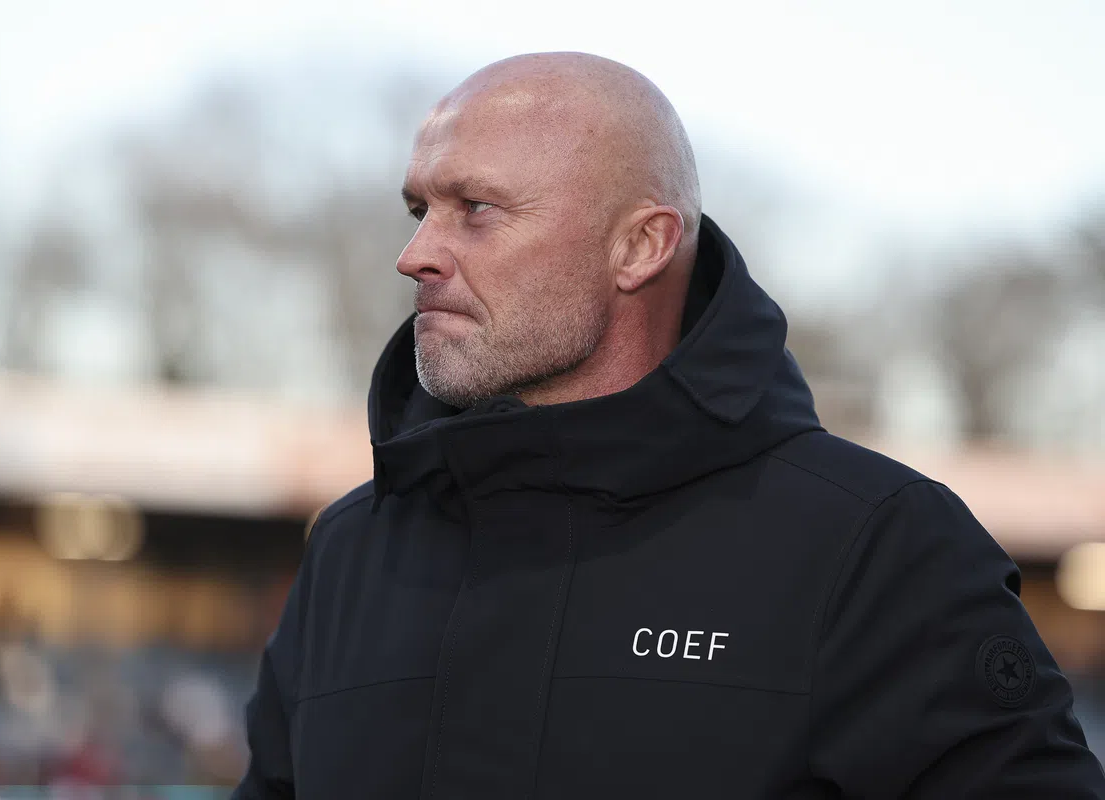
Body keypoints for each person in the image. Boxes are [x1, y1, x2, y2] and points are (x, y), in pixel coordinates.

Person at [234, 52, 1105, 798]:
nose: (415, 253)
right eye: (419, 210)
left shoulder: (877, 545)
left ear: (641, 246)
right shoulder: (351, 549)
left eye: (477, 209)